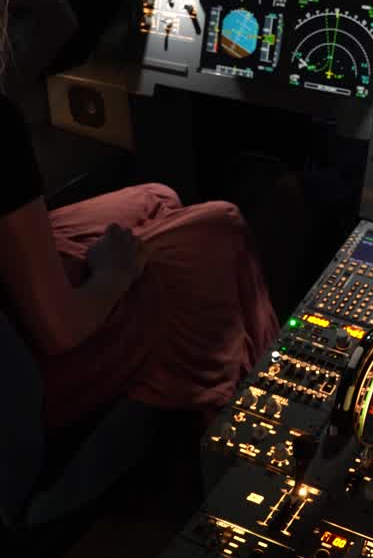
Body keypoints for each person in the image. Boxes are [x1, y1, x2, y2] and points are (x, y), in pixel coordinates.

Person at [0, 91, 278, 433]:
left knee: (158, 197)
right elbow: (61, 331)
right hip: (22, 367)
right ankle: (257, 415)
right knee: (224, 227)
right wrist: (114, 273)